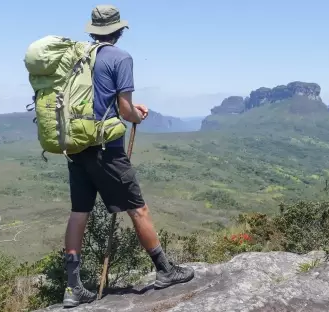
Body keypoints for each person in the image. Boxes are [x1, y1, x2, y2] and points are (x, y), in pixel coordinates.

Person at [62, 4, 195, 308]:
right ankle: (165, 271)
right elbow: (124, 109)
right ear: (119, 30)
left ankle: (73, 288)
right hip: (106, 150)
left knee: (79, 212)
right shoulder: (120, 58)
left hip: (76, 147)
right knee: (138, 209)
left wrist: (132, 111)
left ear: (93, 30)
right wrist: (137, 115)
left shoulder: (78, 57)